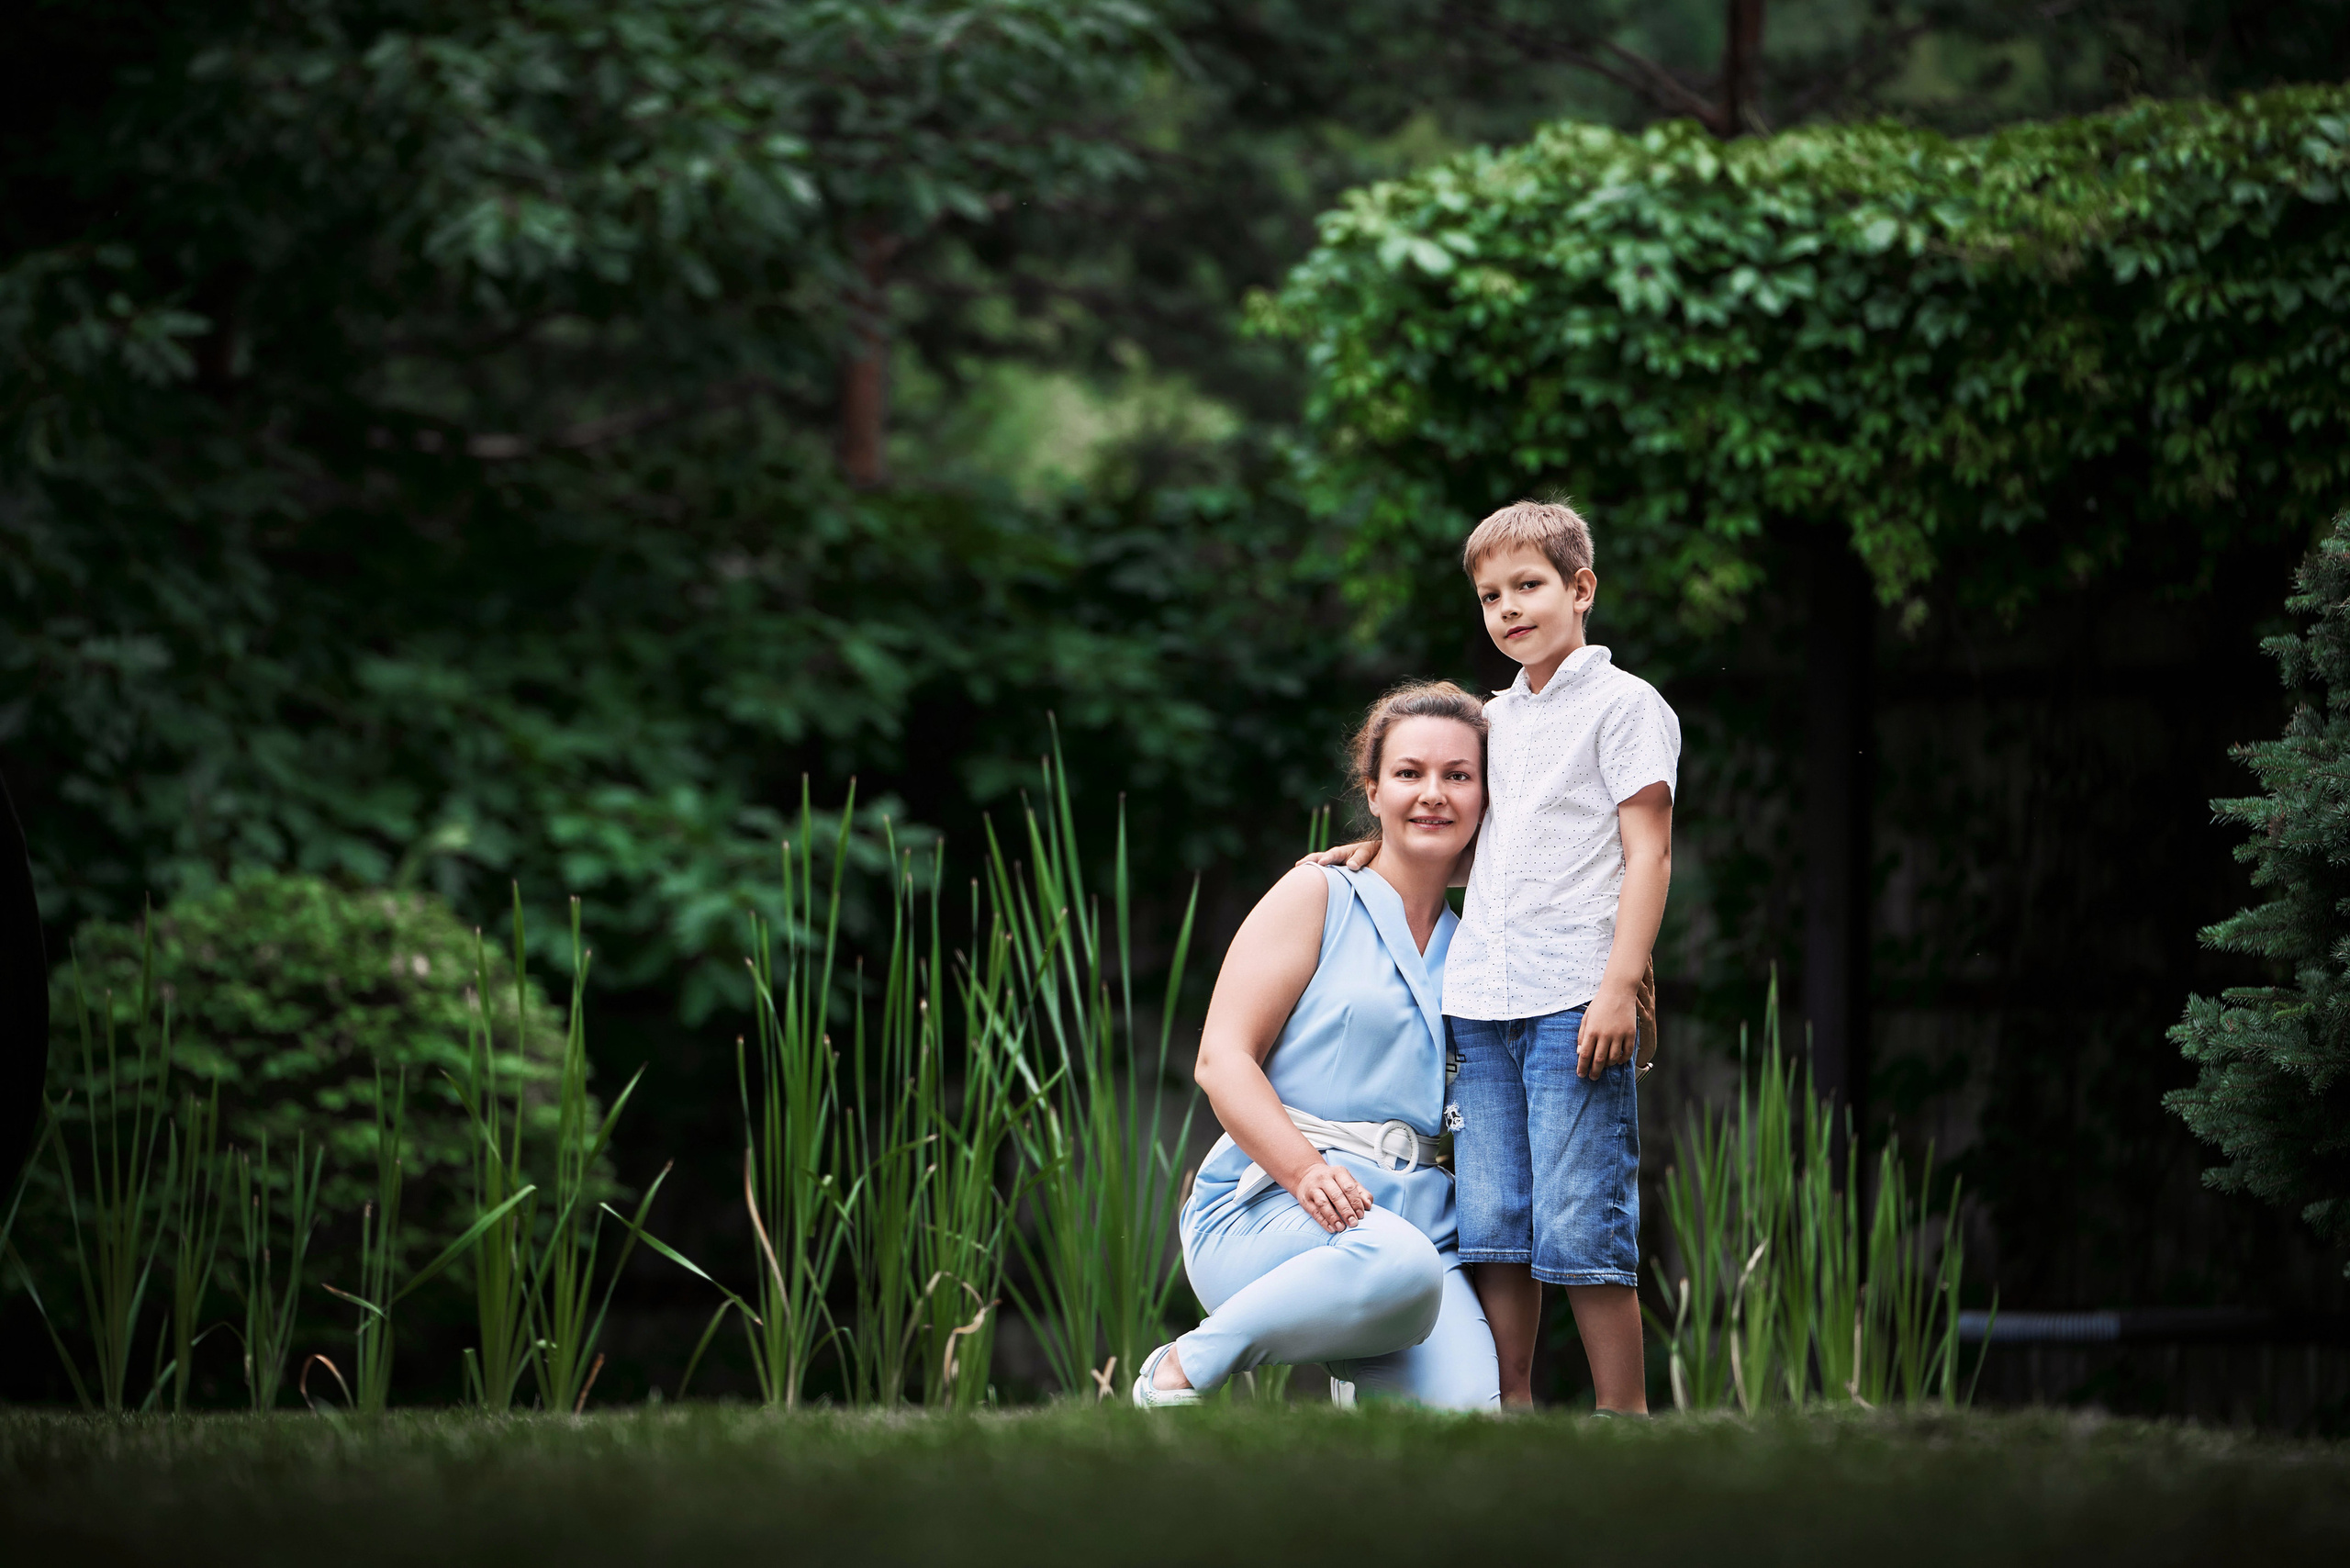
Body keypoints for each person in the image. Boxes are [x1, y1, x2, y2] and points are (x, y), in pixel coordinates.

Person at [1312, 499, 1677, 1413]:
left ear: (1579, 588)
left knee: (1578, 1218)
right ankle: (1506, 1410)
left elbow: (1649, 853)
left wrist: (1618, 985)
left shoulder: (1626, 707)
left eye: (1529, 586)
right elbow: (1464, 832)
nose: (1509, 609)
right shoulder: (1492, 722)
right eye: (1490, 596)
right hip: (1477, 1006)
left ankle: (1623, 1418)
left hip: (1573, 1002)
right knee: (1495, 1222)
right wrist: (1372, 847)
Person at [1133, 682, 1501, 1409]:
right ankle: (1179, 1370)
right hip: (1269, 1206)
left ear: (1486, 796)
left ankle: (1357, 1380)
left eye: (1458, 776)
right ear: (1372, 788)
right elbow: (1221, 1059)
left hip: (1423, 1246)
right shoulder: (1319, 894)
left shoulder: (1486, 944)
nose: (1433, 794)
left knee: (1471, 1433)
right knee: (1397, 1263)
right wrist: (1304, 1172)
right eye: (1409, 774)